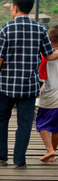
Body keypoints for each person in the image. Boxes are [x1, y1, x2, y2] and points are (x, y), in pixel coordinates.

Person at [0, 0, 58, 169]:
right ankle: (19, 160)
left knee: (1, 120)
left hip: (6, 85)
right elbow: (50, 56)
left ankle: (1, 157)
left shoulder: (7, 28)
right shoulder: (41, 29)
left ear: (15, 8)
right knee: (24, 124)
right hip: (29, 86)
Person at [36, 25, 58, 162]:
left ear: (49, 39)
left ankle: (50, 150)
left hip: (50, 95)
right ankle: (52, 154)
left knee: (41, 124)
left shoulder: (46, 57)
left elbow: (41, 79)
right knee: (56, 127)